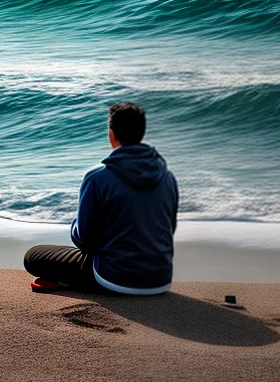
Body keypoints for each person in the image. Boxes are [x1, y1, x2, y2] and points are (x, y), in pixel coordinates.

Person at [24, 102, 178, 295]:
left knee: (33, 256)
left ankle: (73, 281)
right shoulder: (167, 177)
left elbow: (85, 241)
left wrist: (76, 224)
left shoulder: (98, 177)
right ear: (141, 133)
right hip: (160, 280)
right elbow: (169, 229)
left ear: (111, 135)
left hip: (113, 279)